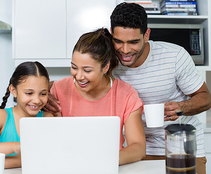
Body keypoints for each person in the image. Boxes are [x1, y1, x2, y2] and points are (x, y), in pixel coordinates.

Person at [109, 2, 211, 174]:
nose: (125, 50)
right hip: (137, 148)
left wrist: (181, 108)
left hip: (182, 146)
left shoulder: (174, 56)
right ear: (112, 34)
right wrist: (49, 90)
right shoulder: (108, 62)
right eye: (118, 41)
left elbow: (206, 98)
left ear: (147, 34)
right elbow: (81, 76)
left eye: (133, 42)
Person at [49, 28, 146, 165]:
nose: (79, 76)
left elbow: (138, 147)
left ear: (105, 67)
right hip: (66, 165)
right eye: (74, 67)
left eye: (87, 70)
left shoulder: (126, 94)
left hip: (109, 168)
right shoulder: (59, 89)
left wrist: (103, 161)